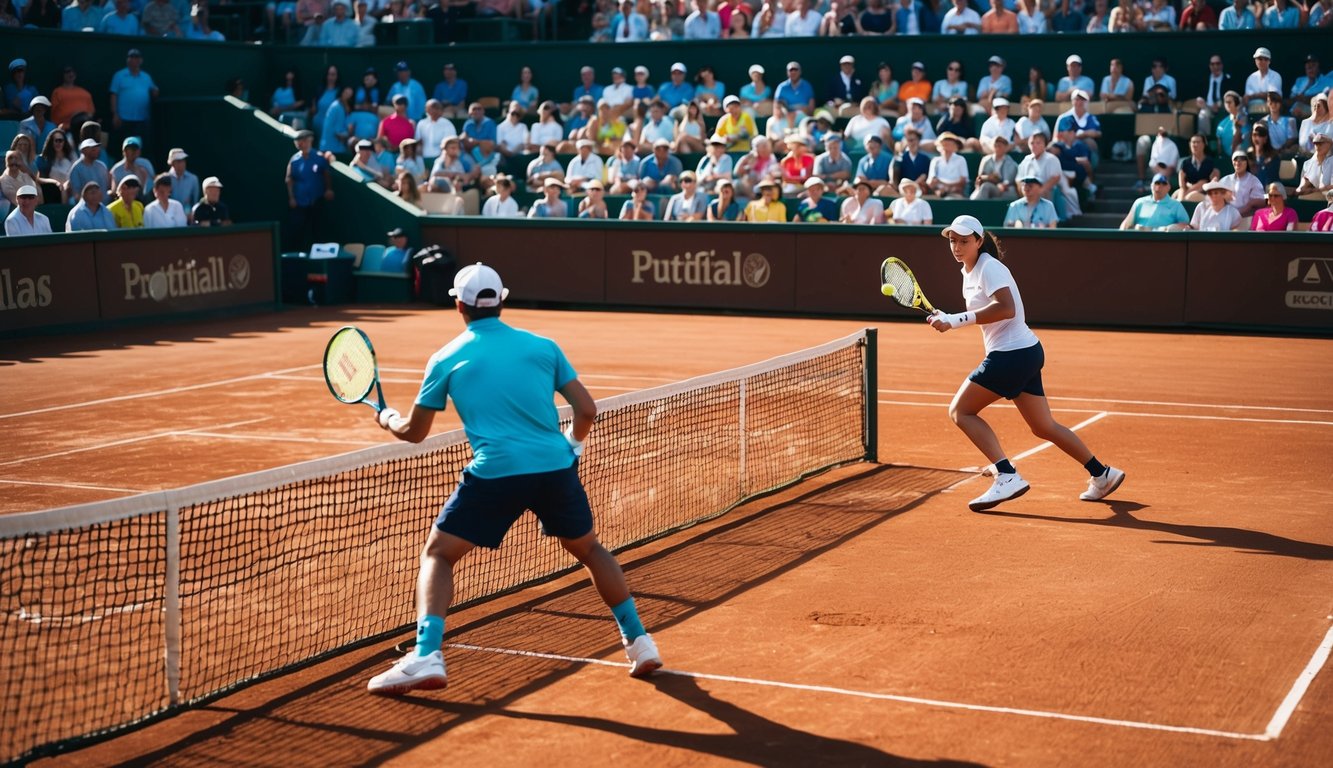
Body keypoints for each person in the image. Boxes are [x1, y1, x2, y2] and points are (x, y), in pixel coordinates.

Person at [365, 263, 663, 695]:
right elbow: (587, 411)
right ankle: (640, 642)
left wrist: (387, 417)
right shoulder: (543, 346)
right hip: (554, 468)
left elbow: (414, 432)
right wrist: (572, 447)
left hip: (497, 472)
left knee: (439, 554)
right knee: (589, 549)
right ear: (502, 301)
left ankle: (427, 654)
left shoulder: (446, 357)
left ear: (458, 304)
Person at [928, 215, 1125, 512]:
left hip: (1012, 354)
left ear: (979, 242)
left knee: (961, 411)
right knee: (1044, 426)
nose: (957, 246)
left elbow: (1006, 308)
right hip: (1026, 351)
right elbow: (988, 309)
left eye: (964, 241)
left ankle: (1007, 474)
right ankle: (1102, 474)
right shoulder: (969, 271)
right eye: (953, 241)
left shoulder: (988, 266)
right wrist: (948, 316)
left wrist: (955, 320)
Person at [285, 129, 333, 251]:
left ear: (310, 141)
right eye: (298, 141)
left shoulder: (319, 158)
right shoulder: (294, 160)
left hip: (316, 200)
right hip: (300, 203)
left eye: (304, 141)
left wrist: (328, 189)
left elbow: (326, 174)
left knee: (318, 231)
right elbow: (289, 179)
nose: (301, 144)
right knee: (296, 231)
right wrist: (291, 197)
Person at [109, 49, 159, 147]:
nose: (134, 60)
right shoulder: (119, 76)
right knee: (123, 146)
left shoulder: (146, 77)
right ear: (127, 60)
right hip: (123, 119)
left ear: (141, 60)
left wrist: (155, 92)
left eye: (136, 57)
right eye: (131, 57)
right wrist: (115, 114)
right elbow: (113, 95)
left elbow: (154, 92)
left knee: (141, 147)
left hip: (142, 119)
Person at [1119, 173, 1189, 231]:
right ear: (1151, 185)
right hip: (1140, 240)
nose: (1160, 186)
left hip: (1165, 241)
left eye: (1164, 183)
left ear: (1169, 187)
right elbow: (1127, 223)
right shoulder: (1140, 202)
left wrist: (1168, 229)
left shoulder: (1176, 205)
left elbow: (1185, 225)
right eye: (1157, 183)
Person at [1173, 134, 1218, 202]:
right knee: (1175, 195)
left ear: (1204, 144)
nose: (1195, 145)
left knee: (1192, 195)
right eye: (1193, 142)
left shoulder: (1210, 163)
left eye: (1198, 142)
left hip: (1204, 194)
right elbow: (1182, 184)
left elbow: (1212, 182)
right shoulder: (1185, 163)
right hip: (1186, 190)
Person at [972, 135, 1018, 201]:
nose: (997, 148)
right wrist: (989, 178)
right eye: (995, 146)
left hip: (1005, 190)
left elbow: (1008, 181)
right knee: (985, 187)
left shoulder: (1011, 163)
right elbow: (980, 177)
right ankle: (977, 208)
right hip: (989, 186)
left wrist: (1001, 185)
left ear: (1005, 147)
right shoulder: (986, 160)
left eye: (999, 146)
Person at [1296, 133, 1333, 199]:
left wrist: (1314, 190)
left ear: (1330, 144)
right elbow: (1302, 185)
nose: (1318, 146)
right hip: (1317, 196)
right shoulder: (1307, 164)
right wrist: (1301, 188)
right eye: (1316, 144)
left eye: (1321, 143)